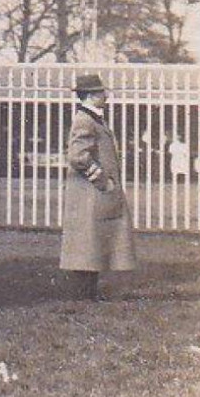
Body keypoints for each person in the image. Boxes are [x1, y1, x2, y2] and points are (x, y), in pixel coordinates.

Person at [60, 72, 135, 300]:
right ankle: (83, 295)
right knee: (87, 244)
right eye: (101, 91)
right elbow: (78, 156)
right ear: (92, 95)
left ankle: (87, 295)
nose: (105, 95)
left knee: (90, 244)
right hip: (90, 193)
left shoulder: (92, 118)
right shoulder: (85, 120)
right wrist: (103, 181)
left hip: (91, 195)